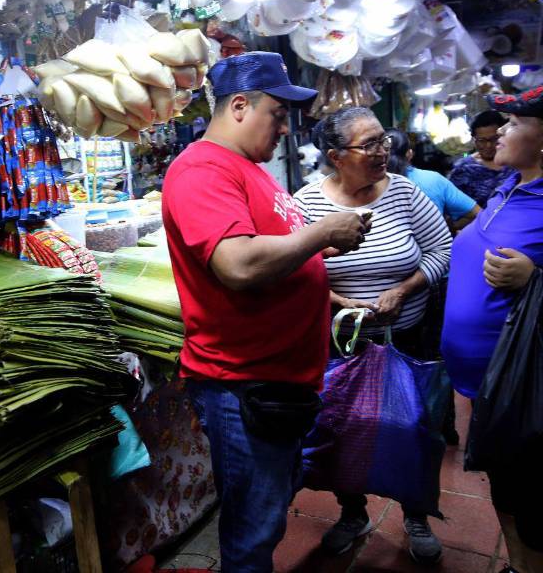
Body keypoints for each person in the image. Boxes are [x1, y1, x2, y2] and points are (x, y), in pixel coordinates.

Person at [161, 52, 370, 573]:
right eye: (277, 114)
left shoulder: (248, 170)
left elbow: (271, 252)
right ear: (239, 106)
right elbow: (238, 264)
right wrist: (321, 233)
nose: (284, 128)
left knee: (269, 505)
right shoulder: (203, 169)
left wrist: (317, 268)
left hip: (279, 378)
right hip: (244, 383)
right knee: (253, 532)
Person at [293, 107, 452, 566]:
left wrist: (404, 290)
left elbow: (442, 249)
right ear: (336, 156)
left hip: (409, 337)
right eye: (369, 145)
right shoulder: (306, 204)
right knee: (342, 428)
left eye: (383, 140)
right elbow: (297, 268)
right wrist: (339, 301)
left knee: (417, 427)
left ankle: (416, 516)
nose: (384, 151)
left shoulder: (404, 192)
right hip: (343, 342)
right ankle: (353, 513)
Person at [441, 88, 543, 573]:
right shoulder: (507, 187)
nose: (500, 131)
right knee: (506, 482)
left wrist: (535, 278)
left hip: (526, 382)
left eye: (515, 123)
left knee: (533, 491)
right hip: (488, 381)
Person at [384, 127, 480, 446]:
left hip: (398, 290)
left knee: (396, 359)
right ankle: (441, 425)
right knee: (434, 357)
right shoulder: (431, 181)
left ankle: (400, 426)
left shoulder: (379, 185)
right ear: (409, 154)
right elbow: (477, 215)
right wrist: (452, 228)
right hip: (436, 282)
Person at [448, 110, 514, 207]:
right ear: (474, 139)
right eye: (481, 140)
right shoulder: (464, 168)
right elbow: (454, 206)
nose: (488, 145)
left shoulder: (515, 162)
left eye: (494, 139)